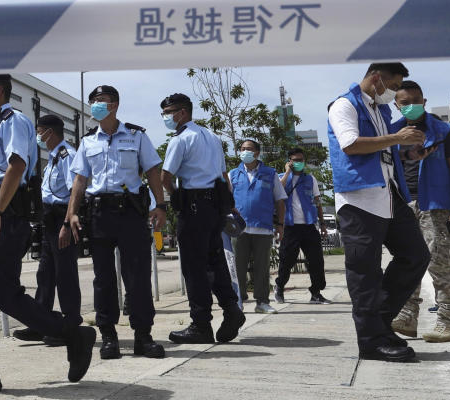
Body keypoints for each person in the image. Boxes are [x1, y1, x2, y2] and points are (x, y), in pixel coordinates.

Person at [0, 74, 95, 396]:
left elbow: (16, 166)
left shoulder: (15, 121)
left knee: (6, 295)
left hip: (5, 215)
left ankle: (71, 333)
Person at [327, 63, 430, 362]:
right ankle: (371, 342)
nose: (396, 93)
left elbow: (381, 151)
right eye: (394, 85)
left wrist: (406, 151)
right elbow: (351, 145)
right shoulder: (344, 105)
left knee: (415, 255)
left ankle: (379, 324)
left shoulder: (381, 111)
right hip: (359, 198)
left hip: (389, 194)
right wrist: (398, 139)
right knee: (365, 273)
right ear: (376, 78)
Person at [66, 85, 166, 360]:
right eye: (94, 101)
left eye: (102, 101)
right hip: (98, 214)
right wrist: (72, 213)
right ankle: (108, 336)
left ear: (115, 105)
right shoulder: (87, 142)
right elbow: (79, 180)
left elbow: (153, 171)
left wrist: (160, 205)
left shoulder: (136, 136)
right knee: (104, 279)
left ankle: (143, 337)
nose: (97, 105)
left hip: (131, 213)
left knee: (137, 277)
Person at [389, 81, 450, 342]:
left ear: (424, 101)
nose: (411, 105)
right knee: (409, 261)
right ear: (397, 105)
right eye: (405, 102)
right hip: (404, 205)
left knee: (442, 264)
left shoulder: (443, 130)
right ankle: (407, 316)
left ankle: (449, 322)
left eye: (416, 100)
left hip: (437, 206)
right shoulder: (391, 133)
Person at [159, 93, 245, 345]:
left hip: (194, 205)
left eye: (169, 112)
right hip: (215, 205)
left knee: (194, 267)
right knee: (214, 261)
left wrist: (176, 199)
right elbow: (223, 175)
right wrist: (230, 205)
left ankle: (201, 324)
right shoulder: (212, 137)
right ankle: (231, 309)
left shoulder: (181, 139)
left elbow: (166, 177)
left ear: (183, 112)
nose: (166, 117)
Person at [13, 114, 81, 347]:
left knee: (65, 275)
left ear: (49, 132)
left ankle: (70, 325)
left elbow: (76, 191)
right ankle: (40, 323)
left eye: (40, 131)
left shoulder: (67, 155)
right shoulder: (52, 157)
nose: (38, 136)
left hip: (62, 219)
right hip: (49, 221)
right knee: (45, 275)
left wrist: (66, 223)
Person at [230, 140, 286, 314]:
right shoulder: (233, 174)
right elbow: (226, 201)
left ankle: (262, 302)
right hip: (238, 229)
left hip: (263, 228)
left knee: (262, 267)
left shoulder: (270, 174)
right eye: (242, 149)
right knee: (236, 267)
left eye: (249, 149)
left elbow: (280, 201)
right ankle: (237, 301)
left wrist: (281, 225)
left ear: (257, 153)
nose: (245, 151)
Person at [274, 147, 330, 305]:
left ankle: (316, 292)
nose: (299, 163)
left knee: (316, 260)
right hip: (290, 226)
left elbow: (317, 202)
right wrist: (287, 173)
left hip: (309, 225)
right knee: (287, 259)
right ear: (289, 162)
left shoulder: (310, 179)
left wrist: (323, 224)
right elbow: (277, 190)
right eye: (296, 160)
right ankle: (279, 287)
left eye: (301, 160)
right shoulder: (281, 178)